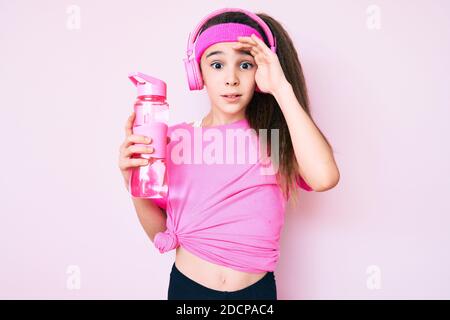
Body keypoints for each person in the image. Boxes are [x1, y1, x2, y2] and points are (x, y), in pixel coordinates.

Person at [118, 8, 340, 300]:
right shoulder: (174, 140)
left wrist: (281, 88)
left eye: (245, 65)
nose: (231, 78)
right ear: (197, 73)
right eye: (217, 64)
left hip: (255, 295)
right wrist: (133, 183)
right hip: (188, 291)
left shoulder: (275, 138)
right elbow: (161, 236)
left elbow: (324, 177)